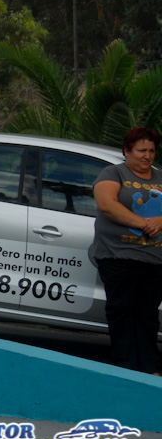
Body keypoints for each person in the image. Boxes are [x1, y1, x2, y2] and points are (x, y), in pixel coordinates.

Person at [92, 126, 162, 375]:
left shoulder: (160, 177)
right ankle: (125, 368)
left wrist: (160, 221)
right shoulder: (113, 173)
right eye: (141, 150)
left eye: (151, 151)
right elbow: (107, 205)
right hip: (117, 254)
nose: (147, 156)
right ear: (127, 151)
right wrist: (144, 223)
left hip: (153, 258)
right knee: (121, 310)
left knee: (147, 314)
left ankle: (150, 367)